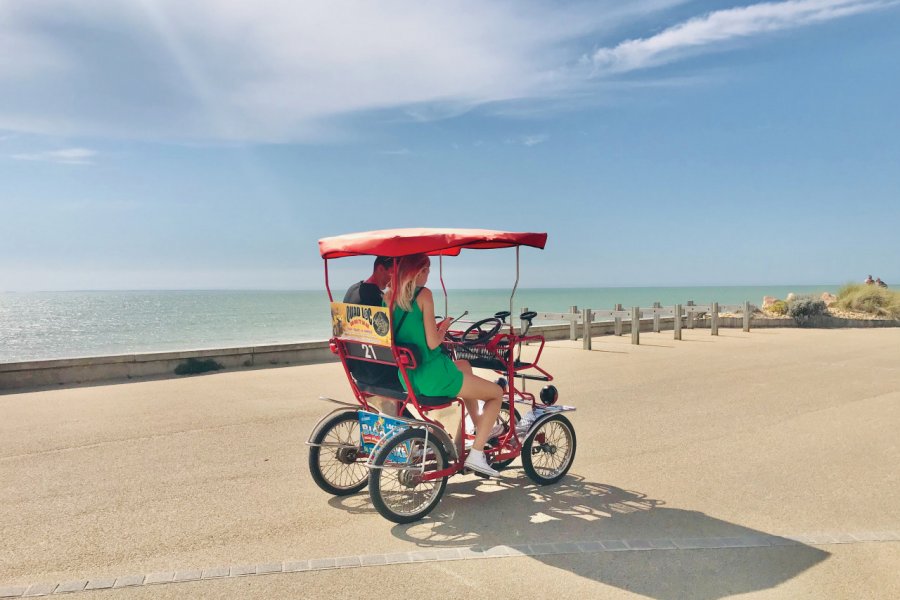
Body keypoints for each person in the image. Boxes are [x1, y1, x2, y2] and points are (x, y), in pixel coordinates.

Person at [387, 253, 505, 477]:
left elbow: (410, 332)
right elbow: (433, 342)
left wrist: (431, 328)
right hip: (433, 376)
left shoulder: (389, 297)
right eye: (427, 270)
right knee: (496, 393)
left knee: (463, 365)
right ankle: (477, 454)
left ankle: (476, 428)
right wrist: (443, 328)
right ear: (418, 271)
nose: (429, 275)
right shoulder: (424, 295)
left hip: (409, 376)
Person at [343, 256, 400, 415]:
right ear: (380, 268)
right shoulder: (376, 299)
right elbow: (392, 337)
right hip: (379, 374)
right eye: (393, 273)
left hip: (357, 371)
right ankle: (426, 428)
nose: (395, 278)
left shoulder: (353, 290)